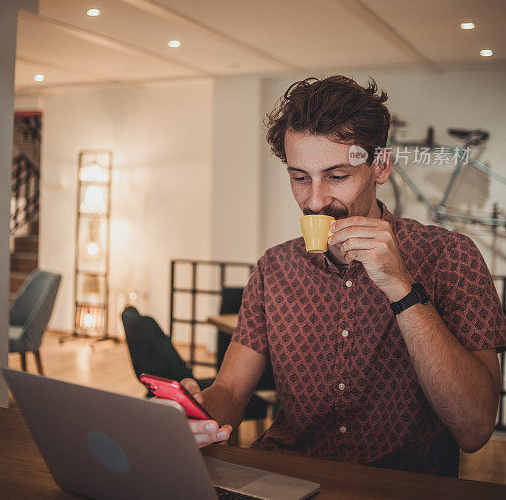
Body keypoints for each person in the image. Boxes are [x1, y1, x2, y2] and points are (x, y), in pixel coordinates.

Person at [183, 76, 506, 475]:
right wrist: (197, 414)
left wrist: (402, 288)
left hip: (400, 492)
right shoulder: (274, 269)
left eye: (337, 176)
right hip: (288, 477)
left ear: (381, 165)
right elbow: (230, 390)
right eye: (300, 177)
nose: (315, 200)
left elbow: (475, 429)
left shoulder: (450, 256)